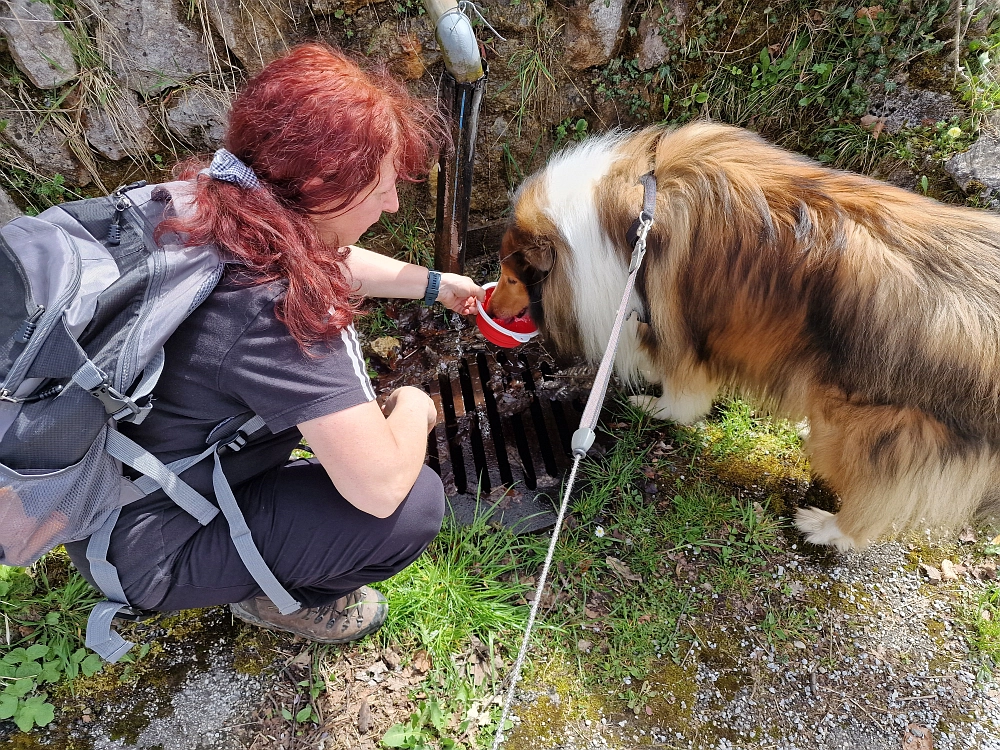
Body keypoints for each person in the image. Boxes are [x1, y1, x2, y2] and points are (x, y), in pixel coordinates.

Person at [64, 43, 484, 644]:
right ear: (318, 186)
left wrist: (436, 285)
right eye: (382, 187)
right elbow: (381, 484)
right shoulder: (279, 310)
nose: (393, 202)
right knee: (410, 506)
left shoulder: (213, 204)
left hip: (107, 487)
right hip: (149, 549)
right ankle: (279, 602)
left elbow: (329, 255)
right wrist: (415, 407)